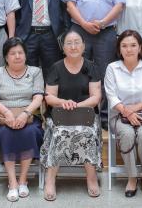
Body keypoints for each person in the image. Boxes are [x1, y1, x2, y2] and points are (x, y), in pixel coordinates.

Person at [61, 0, 125, 127]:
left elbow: (119, 4)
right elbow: (70, 4)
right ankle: (78, 113)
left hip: (105, 33)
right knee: (77, 71)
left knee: (106, 73)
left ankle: (104, 116)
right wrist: (84, 24)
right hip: (79, 31)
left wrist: (103, 22)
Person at [40, 30, 102, 201]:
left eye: (77, 42)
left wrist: (77, 105)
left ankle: (91, 178)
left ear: (83, 45)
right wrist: (63, 103)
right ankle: (50, 179)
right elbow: (49, 96)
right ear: (63, 47)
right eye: (69, 43)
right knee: (59, 133)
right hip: (60, 116)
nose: (73, 46)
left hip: (87, 116)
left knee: (87, 133)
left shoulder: (92, 67)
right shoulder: (56, 67)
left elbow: (96, 97)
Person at [0, 38, 45, 202]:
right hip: (4, 117)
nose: (17, 56)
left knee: (30, 131)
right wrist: (7, 113)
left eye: (20, 52)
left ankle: (23, 179)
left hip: (29, 116)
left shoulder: (35, 72)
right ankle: (12, 181)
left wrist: (25, 113)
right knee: (6, 133)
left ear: (26, 55)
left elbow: (39, 96)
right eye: (13, 53)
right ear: (6, 57)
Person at [105, 30, 142, 198]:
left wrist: (133, 110)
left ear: (140, 48)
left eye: (133, 45)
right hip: (119, 115)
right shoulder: (112, 68)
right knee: (127, 134)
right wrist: (126, 113)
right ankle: (131, 178)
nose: (129, 49)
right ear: (119, 49)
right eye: (124, 46)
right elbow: (111, 95)